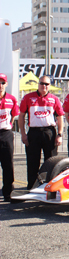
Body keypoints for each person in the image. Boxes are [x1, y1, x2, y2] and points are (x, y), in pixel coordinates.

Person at [18, 75, 64, 189]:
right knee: (33, 161)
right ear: (38, 84)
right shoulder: (28, 98)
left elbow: (60, 117)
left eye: (47, 84)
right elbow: (21, 116)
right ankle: (32, 187)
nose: (44, 86)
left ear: (50, 86)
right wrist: (23, 134)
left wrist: (59, 134)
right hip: (34, 133)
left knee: (51, 162)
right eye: (42, 83)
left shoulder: (55, 99)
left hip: (49, 132)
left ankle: (51, 187)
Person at [0, 73, 19, 201]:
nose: (0, 85)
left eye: (2, 83)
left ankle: (7, 192)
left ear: (6, 84)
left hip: (6, 134)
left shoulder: (11, 99)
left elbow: (14, 115)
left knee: (7, 164)